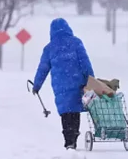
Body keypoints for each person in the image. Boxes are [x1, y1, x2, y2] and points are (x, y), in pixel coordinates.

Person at [31, 18, 95, 150]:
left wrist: (37, 85)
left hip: (60, 86)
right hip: (77, 83)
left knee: (66, 112)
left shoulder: (49, 49)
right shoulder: (76, 43)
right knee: (75, 111)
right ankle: (74, 136)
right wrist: (91, 80)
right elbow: (85, 63)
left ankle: (68, 139)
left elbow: (42, 69)